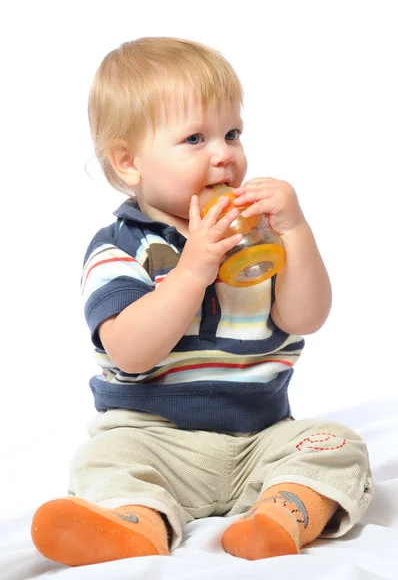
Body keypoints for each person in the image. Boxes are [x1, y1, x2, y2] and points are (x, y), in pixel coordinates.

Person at [31, 37, 374, 566]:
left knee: (336, 444)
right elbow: (130, 352)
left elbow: (306, 317)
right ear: (129, 163)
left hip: (260, 437)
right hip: (154, 439)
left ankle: (281, 515)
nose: (224, 154)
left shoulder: (258, 235)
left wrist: (297, 231)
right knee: (104, 460)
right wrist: (193, 270)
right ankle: (136, 524)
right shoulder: (122, 246)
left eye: (232, 133)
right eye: (195, 138)